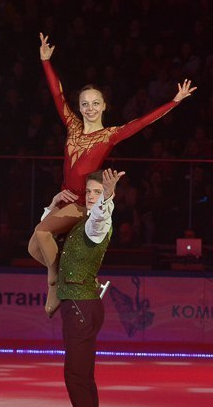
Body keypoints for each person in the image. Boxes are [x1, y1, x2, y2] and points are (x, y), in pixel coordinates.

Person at [28, 33, 196, 318]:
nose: (89, 108)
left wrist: (175, 101)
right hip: (63, 198)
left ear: (104, 106)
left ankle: (55, 284)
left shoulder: (109, 136)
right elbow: (58, 95)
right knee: (34, 248)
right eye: (84, 104)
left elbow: (142, 122)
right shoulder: (72, 126)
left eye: (95, 103)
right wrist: (46, 61)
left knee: (42, 232)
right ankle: (73, 271)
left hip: (82, 203)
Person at [50, 168, 124, 407]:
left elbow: (98, 221)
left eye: (98, 191)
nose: (92, 196)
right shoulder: (83, 218)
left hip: (80, 306)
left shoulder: (97, 221)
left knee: (78, 381)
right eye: (90, 191)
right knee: (83, 382)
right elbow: (47, 229)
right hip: (82, 305)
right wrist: (55, 203)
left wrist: (106, 198)